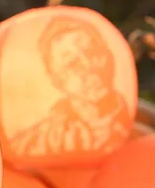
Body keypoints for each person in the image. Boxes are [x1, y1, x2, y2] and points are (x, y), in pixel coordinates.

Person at [10, 16, 130, 158]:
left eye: (92, 52)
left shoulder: (137, 130)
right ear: (57, 81)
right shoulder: (38, 143)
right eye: (72, 64)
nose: (89, 66)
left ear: (109, 57)